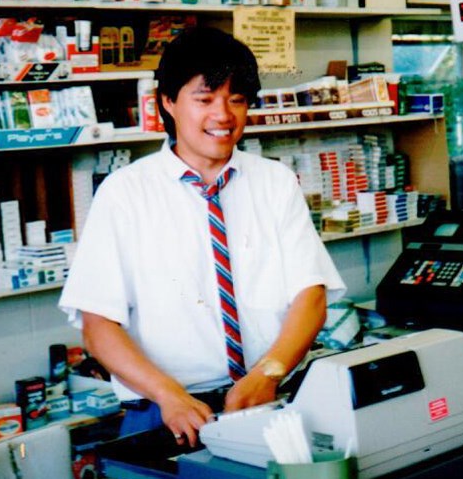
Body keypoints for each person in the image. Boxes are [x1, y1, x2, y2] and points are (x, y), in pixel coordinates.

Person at [58, 27, 345, 447]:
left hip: (269, 395)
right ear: (169, 102)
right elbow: (98, 326)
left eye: (237, 99)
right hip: (165, 411)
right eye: (205, 99)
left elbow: (311, 295)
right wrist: (168, 395)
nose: (223, 115)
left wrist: (269, 373)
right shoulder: (124, 193)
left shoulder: (275, 182)